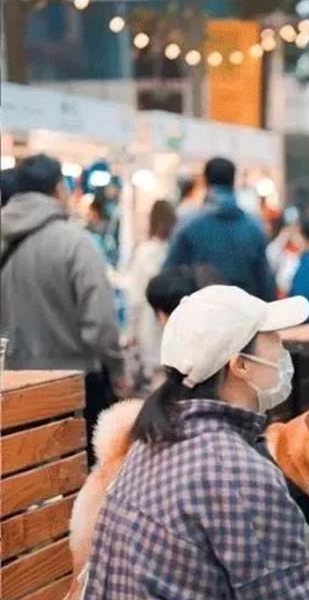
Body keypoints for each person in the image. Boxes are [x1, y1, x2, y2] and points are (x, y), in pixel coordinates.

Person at [79, 285, 309, 600]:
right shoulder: (240, 473)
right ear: (240, 365)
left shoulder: (151, 442)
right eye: (273, 339)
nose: (282, 351)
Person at [0, 154, 124, 465]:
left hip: (13, 386)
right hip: (74, 383)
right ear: (59, 189)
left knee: (27, 476)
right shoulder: (74, 243)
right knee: (78, 474)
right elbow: (100, 323)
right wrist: (117, 369)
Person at [164, 157, 276, 301]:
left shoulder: (188, 225)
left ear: (205, 181)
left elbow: (169, 275)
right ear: (233, 181)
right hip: (245, 309)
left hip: (201, 308)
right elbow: (266, 281)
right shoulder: (255, 227)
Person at [126, 200, 177, 387]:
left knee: (156, 382)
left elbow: (135, 299)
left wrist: (131, 333)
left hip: (149, 325)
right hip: (175, 328)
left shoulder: (144, 252)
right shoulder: (175, 252)